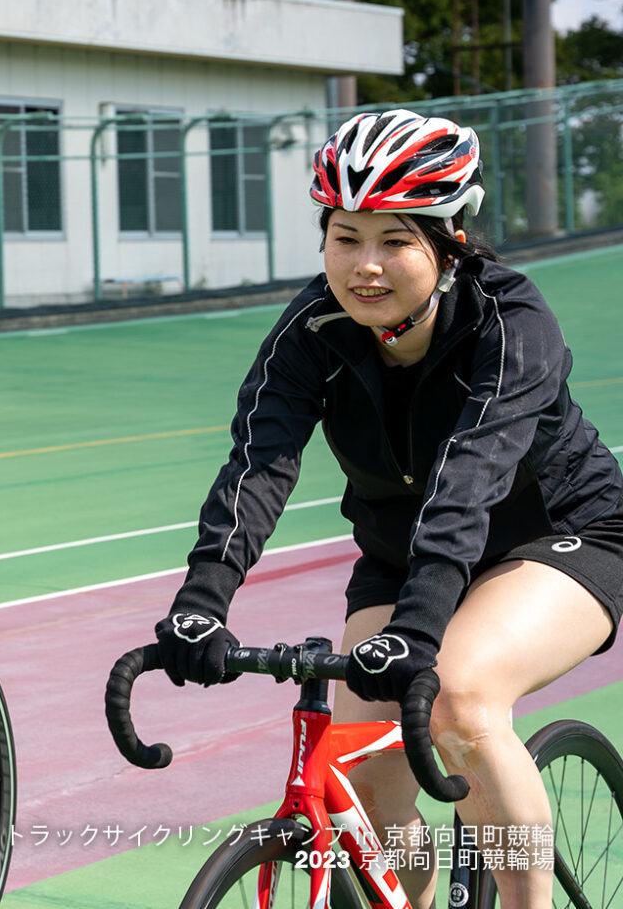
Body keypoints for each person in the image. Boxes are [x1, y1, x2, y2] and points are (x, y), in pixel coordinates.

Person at [153, 107, 623, 907]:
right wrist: (201, 603)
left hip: (559, 536)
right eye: (346, 237)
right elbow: (260, 465)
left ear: (449, 243)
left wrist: (416, 629)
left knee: (460, 698)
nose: (365, 267)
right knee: (365, 784)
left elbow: (470, 480)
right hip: (404, 557)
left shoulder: (512, 323)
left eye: (395, 241)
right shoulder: (311, 331)